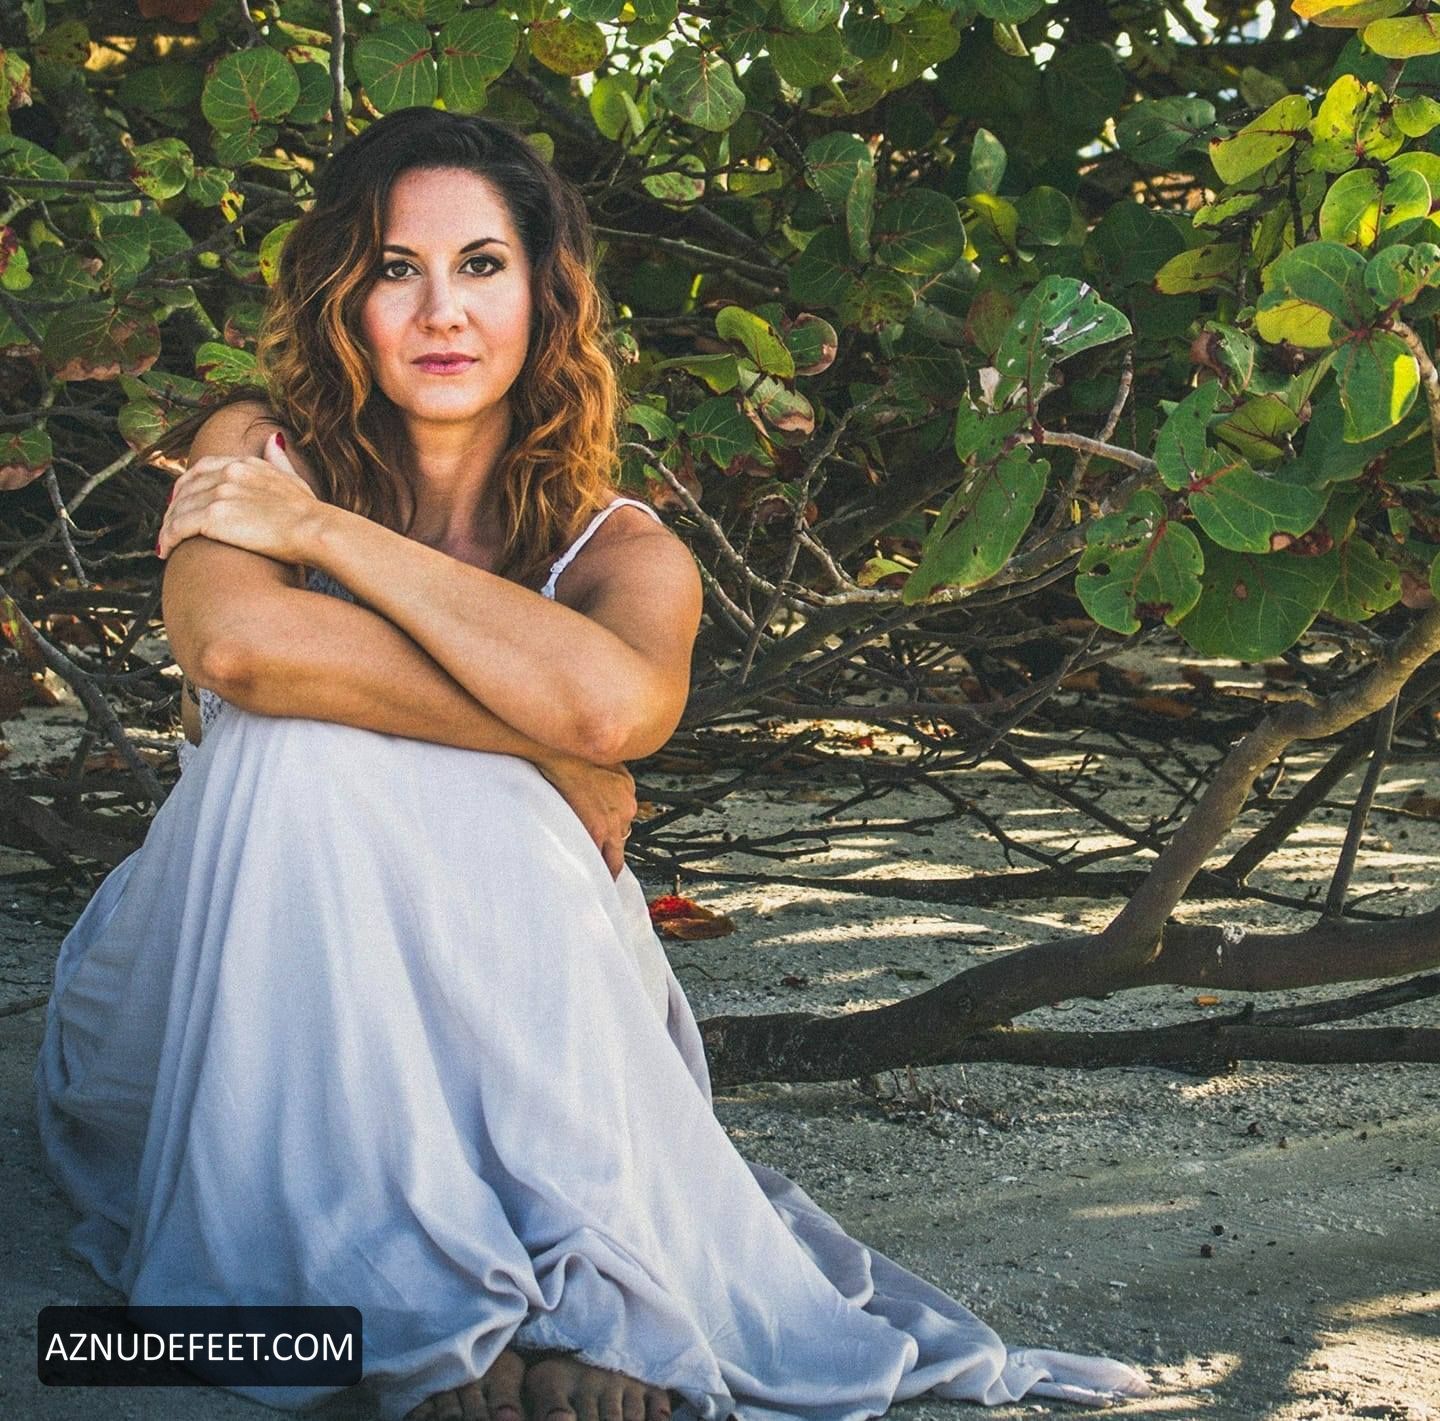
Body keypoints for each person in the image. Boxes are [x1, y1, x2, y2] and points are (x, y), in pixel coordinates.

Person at [35, 108, 1151, 1421]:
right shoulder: (252, 445)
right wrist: (539, 749)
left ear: (545, 296)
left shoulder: (621, 552)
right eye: (396, 269)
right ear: (344, 295)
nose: (442, 311)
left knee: (442, 776)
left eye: (483, 265)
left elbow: (615, 712)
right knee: (302, 748)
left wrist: (330, 537)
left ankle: (555, 1298)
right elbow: (238, 647)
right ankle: (412, 1309)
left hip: (513, 988)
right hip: (216, 982)